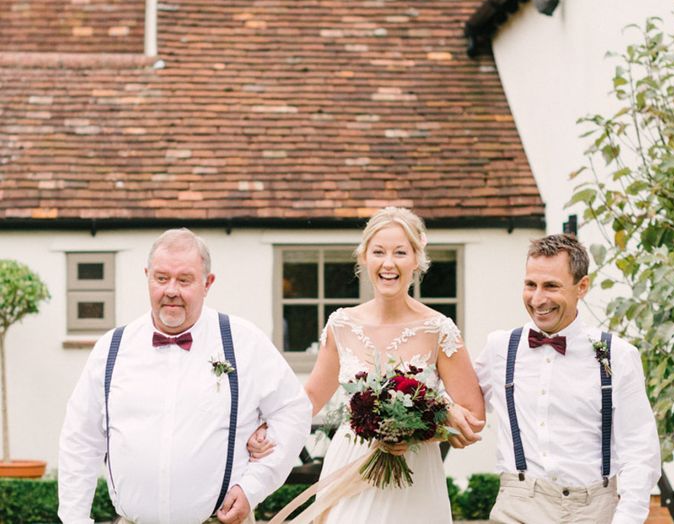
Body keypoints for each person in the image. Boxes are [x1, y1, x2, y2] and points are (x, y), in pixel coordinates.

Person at [58, 228, 313, 524]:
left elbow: (293, 410)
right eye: (162, 278)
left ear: (207, 283)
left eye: (184, 280)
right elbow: (81, 439)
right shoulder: (111, 349)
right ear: (147, 277)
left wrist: (252, 487)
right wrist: (75, 519)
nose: (171, 290)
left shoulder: (243, 342)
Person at [248, 206, 486, 523]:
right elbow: (310, 399)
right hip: (350, 463)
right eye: (379, 252)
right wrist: (269, 427)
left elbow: (474, 416)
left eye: (400, 252)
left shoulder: (438, 330)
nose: (389, 263)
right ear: (364, 258)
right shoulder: (342, 325)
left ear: (416, 259)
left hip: (414, 475)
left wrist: (422, 426)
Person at [451, 233, 660, 523]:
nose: (538, 299)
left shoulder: (618, 355)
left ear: (582, 286)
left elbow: (640, 451)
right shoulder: (501, 348)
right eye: (530, 285)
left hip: (592, 510)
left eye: (551, 286)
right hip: (517, 504)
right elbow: (462, 405)